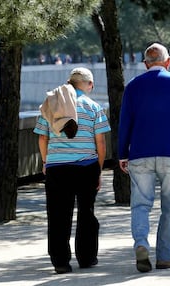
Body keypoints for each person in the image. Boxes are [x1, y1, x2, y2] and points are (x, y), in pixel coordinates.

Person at [118, 43, 170, 273]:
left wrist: (122, 153)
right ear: (168, 62)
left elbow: (125, 121)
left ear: (145, 64)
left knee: (140, 204)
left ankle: (141, 245)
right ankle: (165, 257)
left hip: (139, 153)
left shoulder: (133, 86)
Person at [33, 67, 111, 274]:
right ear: (88, 84)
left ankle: (60, 262)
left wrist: (45, 161)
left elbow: (42, 137)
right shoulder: (94, 107)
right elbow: (101, 142)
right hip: (87, 167)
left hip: (57, 168)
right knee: (87, 213)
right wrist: (99, 169)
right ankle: (86, 258)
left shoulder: (51, 104)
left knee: (58, 215)